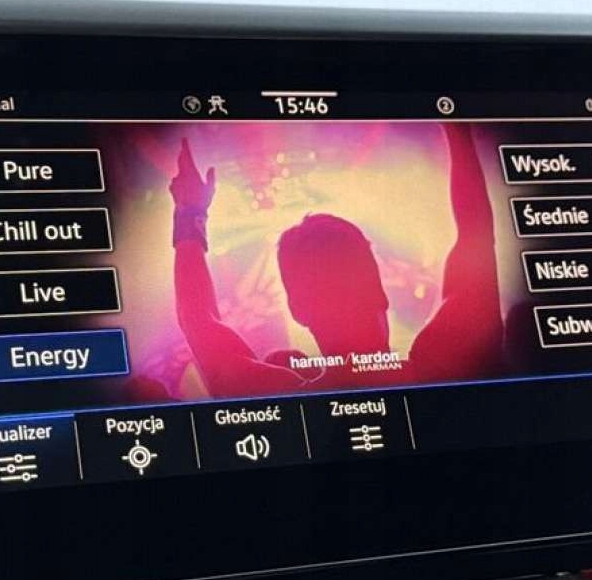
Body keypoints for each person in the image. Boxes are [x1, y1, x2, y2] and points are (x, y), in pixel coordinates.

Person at [169, 124, 503, 396]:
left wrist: (190, 211)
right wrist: (457, 129)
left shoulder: (280, 398)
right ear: (379, 289)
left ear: (297, 310)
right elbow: (475, 234)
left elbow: (197, 318)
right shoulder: (446, 367)